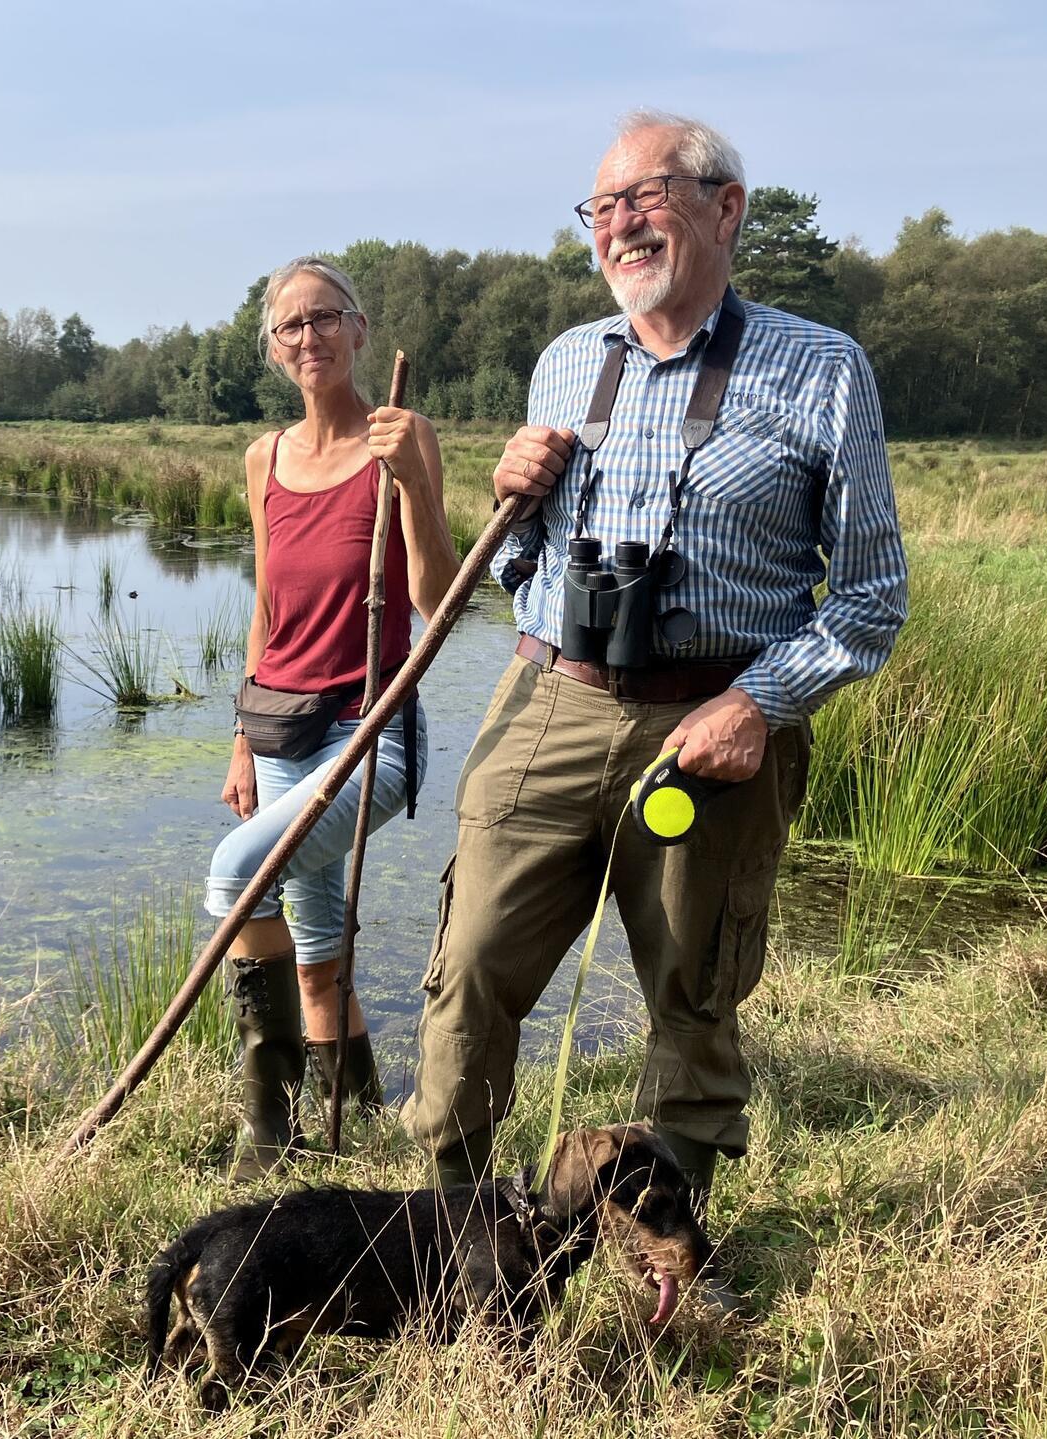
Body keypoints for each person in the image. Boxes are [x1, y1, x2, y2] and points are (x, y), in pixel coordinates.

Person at [402, 112, 909, 1204]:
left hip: (712, 731)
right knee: (472, 966)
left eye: (648, 196)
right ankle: (449, 1232)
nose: (620, 226)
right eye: (602, 207)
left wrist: (760, 703)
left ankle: (669, 1248)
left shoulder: (823, 368)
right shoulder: (566, 363)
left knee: (694, 988)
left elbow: (874, 598)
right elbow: (515, 568)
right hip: (549, 698)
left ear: (726, 207)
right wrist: (512, 503)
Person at [206, 257, 460, 1181]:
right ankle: (355, 1104)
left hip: (371, 726)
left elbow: (436, 598)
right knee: (316, 948)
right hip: (278, 724)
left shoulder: (404, 435)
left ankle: (266, 1125)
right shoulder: (263, 458)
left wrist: (414, 487)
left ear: (358, 331)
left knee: (239, 870)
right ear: (275, 350)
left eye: (325, 318)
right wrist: (241, 734)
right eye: (290, 326)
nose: (308, 336)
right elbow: (267, 608)